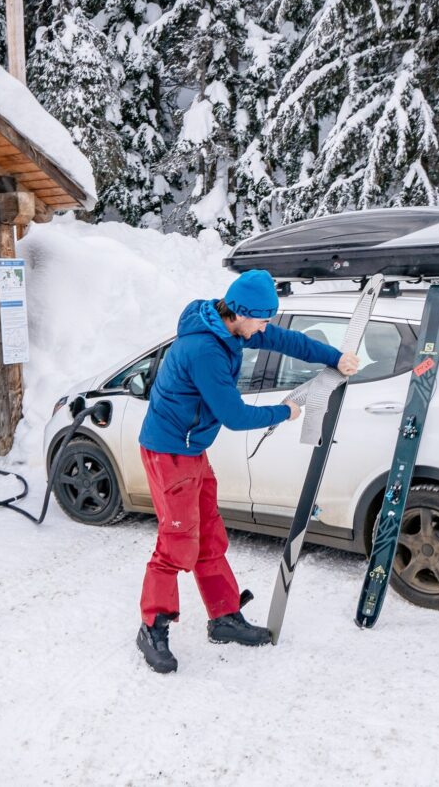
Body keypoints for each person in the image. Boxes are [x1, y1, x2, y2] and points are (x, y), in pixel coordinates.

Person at [136, 270, 359, 673]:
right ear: (237, 312)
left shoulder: (236, 327)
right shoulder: (204, 350)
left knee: (209, 535)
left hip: (192, 449)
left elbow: (289, 341)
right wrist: (285, 412)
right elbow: (234, 416)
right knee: (177, 542)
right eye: (261, 320)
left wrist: (334, 358)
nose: (265, 329)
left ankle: (223, 617)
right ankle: (153, 623)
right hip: (168, 451)